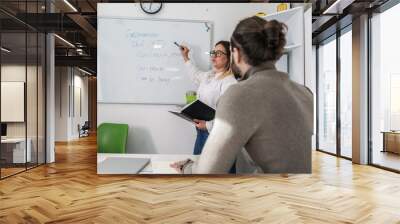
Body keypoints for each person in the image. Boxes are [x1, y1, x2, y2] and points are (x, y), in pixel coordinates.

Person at [172, 17, 313, 174]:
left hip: (269, 194)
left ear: (236, 54)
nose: (214, 56)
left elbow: (208, 171)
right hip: (305, 194)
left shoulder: (238, 93)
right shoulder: (305, 93)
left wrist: (186, 167)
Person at [178, 41, 237, 156]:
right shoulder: (210, 75)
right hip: (201, 133)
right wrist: (185, 56)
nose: (214, 56)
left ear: (229, 58)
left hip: (218, 137)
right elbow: (195, 74)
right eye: (213, 52)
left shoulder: (230, 83)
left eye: (219, 53)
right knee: (198, 170)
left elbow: (232, 118)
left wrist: (207, 125)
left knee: (217, 173)